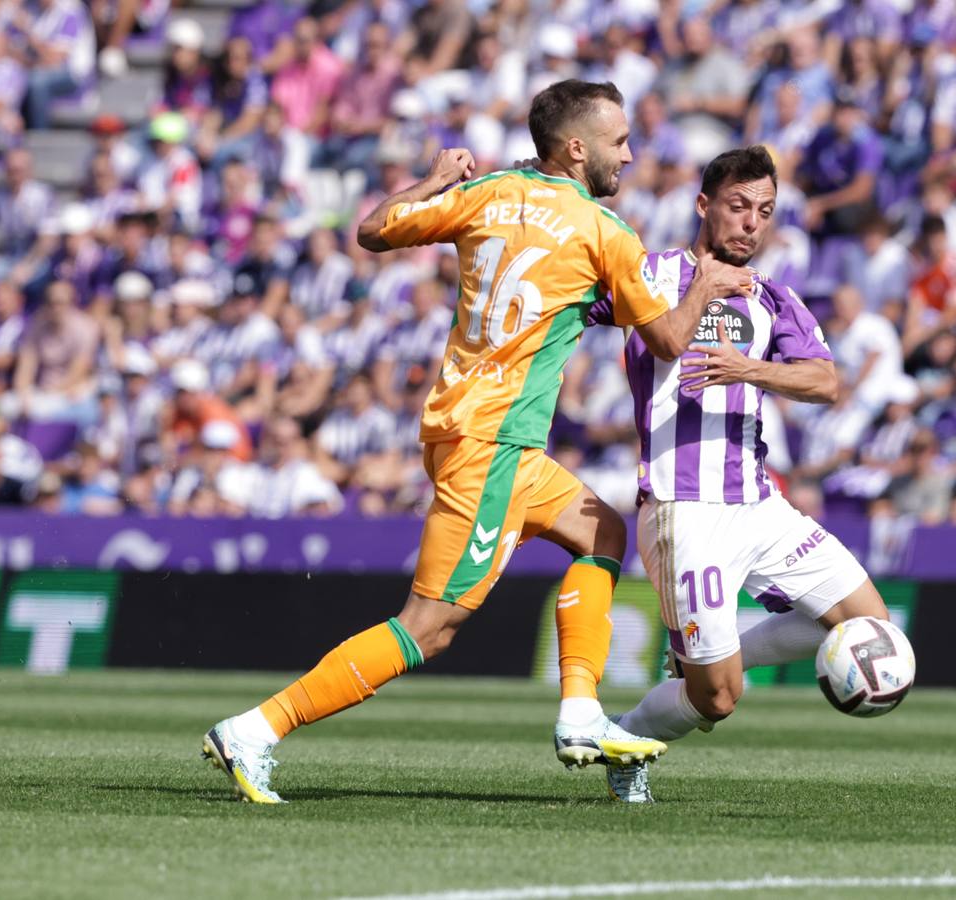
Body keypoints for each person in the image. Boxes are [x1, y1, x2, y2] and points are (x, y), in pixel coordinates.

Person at [202, 80, 751, 803]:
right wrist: (706, 285)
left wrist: (434, 180)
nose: (628, 154)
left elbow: (373, 230)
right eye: (618, 141)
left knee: (602, 534)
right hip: (494, 443)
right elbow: (671, 340)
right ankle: (256, 729)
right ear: (576, 148)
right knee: (429, 627)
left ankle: (580, 712)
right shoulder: (604, 231)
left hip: (472, 432)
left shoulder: (489, 193)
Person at [590, 146, 890, 803]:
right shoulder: (651, 273)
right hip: (683, 509)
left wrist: (748, 369)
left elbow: (825, 381)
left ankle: (720, 653)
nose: (752, 223)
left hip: (759, 505)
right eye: (738, 206)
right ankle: (625, 739)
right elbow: (583, 308)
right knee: (718, 699)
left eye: (765, 211)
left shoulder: (773, 296)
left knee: (872, 627)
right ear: (704, 205)